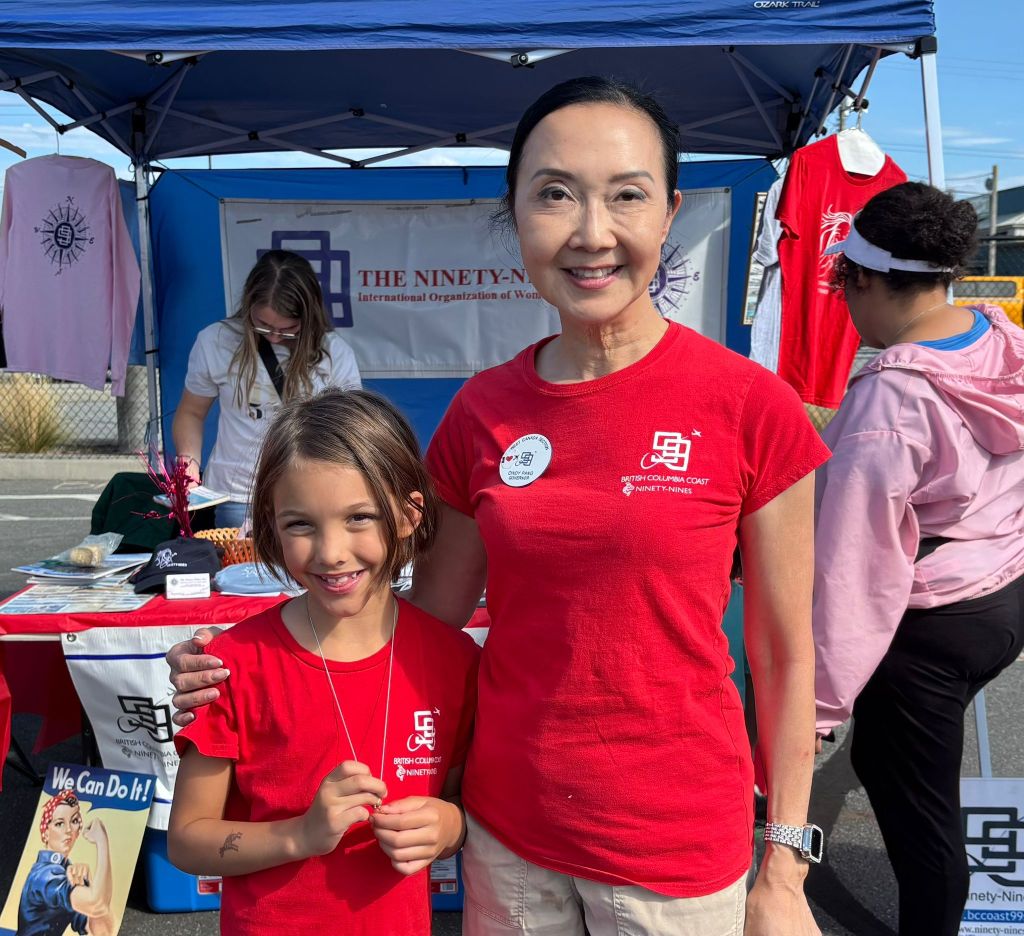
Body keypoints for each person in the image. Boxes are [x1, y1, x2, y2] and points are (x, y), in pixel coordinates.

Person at [168, 77, 828, 935]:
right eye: (554, 194)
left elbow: (783, 655)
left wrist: (785, 863)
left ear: (670, 213)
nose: (592, 233)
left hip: (674, 845)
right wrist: (235, 665)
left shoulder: (750, 405)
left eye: (626, 196)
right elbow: (418, 625)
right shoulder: (484, 411)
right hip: (509, 837)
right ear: (514, 215)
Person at [167, 388, 479, 936]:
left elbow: (456, 799)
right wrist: (300, 835)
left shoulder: (453, 662)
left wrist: (450, 826)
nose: (331, 552)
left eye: (359, 517)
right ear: (270, 523)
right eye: (301, 525)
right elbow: (188, 839)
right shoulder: (229, 667)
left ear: (409, 515)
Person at [813, 182, 1024, 936]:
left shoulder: (893, 396)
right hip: (1003, 591)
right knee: (895, 764)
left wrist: (817, 705)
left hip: (928, 623)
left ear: (863, 280)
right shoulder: (997, 337)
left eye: (842, 286)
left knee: (920, 814)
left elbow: (854, 568)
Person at [172, 249, 361, 528]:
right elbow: (191, 412)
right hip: (237, 495)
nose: (273, 337)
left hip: (309, 494)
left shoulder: (334, 353)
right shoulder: (216, 341)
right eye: (262, 325)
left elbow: (351, 430)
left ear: (308, 317)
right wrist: (188, 465)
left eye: (288, 329)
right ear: (248, 304)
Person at [18, 791, 113, 936]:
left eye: (74, 821)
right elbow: (97, 904)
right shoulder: (44, 875)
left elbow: (103, 932)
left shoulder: (66, 875)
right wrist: (102, 842)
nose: (68, 830)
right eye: (59, 824)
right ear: (46, 832)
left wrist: (88, 884)